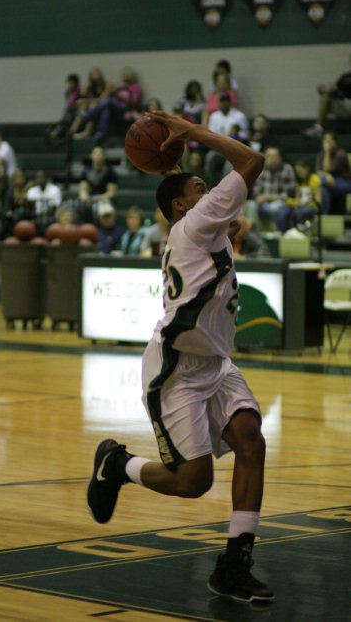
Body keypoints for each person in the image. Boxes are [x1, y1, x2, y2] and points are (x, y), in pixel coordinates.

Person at [86, 111, 274, 604]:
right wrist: (192, 133)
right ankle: (117, 463)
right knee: (193, 483)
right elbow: (250, 160)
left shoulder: (201, 228)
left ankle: (235, 564)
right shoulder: (196, 224)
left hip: (216, 364)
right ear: (180, 204)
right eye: (198, 185)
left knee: (252, 443)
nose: (208, 188)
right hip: (177, 371)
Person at [73, 67, 143, 142]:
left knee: (108, 100)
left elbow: (134, 101)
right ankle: (100, 134)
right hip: (117, 109)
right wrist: (113, 93)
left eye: (123, 75)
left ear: (128, 76)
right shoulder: (122, 86)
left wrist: (119, 95)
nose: (122, 77)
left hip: (125, 109)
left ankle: (87, 115)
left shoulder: (135, 87)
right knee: (106, 110)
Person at [205, 93, 249, 186]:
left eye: (226, 101)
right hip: (219, 149)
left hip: (234, 150)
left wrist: (236, 133)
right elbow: (211, 135)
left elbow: (245, 136)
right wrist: (228, 135)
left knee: (228, 167)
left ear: (230, 102)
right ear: (219, 103)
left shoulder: (239, 116)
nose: (224, 104)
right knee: (209, 157)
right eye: (222, 101)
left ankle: (224, 190)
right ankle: (210, 187)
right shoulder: (214, 116)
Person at [302, 56, 351, 138]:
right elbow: (334, 88)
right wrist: (325, 89)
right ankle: (318, 128)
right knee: (325, 96)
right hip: (345, 106)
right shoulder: (345, 77)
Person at [251, 146, 297, 231]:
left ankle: (279, 237)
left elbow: (289, 195)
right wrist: (261, 198)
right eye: (270, 156)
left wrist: (267, 197)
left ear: (280, 157)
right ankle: (255, 236)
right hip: (264, 206)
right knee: (251, 206)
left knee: (282, 211)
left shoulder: (287, 169)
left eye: (275, 156)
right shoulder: (260, 169)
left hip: (282, 204)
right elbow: (256, 195)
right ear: (265, 158)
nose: (273, 159)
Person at [78, 146, 118, 222]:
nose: (98, 155)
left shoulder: (110, 172)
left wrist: (96, 199)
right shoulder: (86, 170)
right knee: (79, 206)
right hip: (90, 198)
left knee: (100, 208)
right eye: (95, 153)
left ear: (104, 156)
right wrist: (86, 199)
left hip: (104, 199)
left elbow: (111, 193)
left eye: (100, 153)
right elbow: (83, 189)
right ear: (91, 155)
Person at [315, 132, 351, 214]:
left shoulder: (340, 154)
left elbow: (327, 169)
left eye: (329, 140)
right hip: (330, 183)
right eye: (325, 140)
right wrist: (326, 175)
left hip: (345, 183)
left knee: (322, 182)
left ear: (335, 142)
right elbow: (317, 171)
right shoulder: (320, 155)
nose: (326, 143)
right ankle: (325, 219)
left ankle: (324, 218)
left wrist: (327, 152)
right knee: (324, 190)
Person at [26, 169, 62, 235]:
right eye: (38, 177)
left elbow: (54, 208)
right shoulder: (31, 191)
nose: (40, 179)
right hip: (34, 216)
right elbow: (29, 207)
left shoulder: (55, 190)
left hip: (50, 216)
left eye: (42, 177)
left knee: (45, 221)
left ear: (47, 178)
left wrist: (42, 215)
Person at [47, 73, 81, 138]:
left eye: (72, 83)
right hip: (70, 110)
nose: (70, 85)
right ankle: (60, 130)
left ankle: (60, 131)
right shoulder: (67, 92)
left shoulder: (80, 91)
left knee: (68, 115)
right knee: (66, 116)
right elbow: (69, 103)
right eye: (69, 83)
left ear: (76, 83)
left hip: (78, 110)